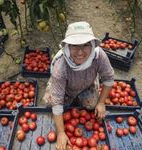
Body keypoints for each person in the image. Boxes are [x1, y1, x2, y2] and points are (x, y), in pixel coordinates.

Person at [43, 21, 114, 150]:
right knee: (50, 103)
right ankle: (58, 90)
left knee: (92, 105)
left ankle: (85, 93)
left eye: (86, 45)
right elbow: (57, 101)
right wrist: (61, 133)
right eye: (75, 46)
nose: (80, 52)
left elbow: (109, 78)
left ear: (92, 45)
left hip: (86, 85)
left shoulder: (99, 56)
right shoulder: (61, 67)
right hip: (64, 88)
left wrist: (101, 102)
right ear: (67, 47)